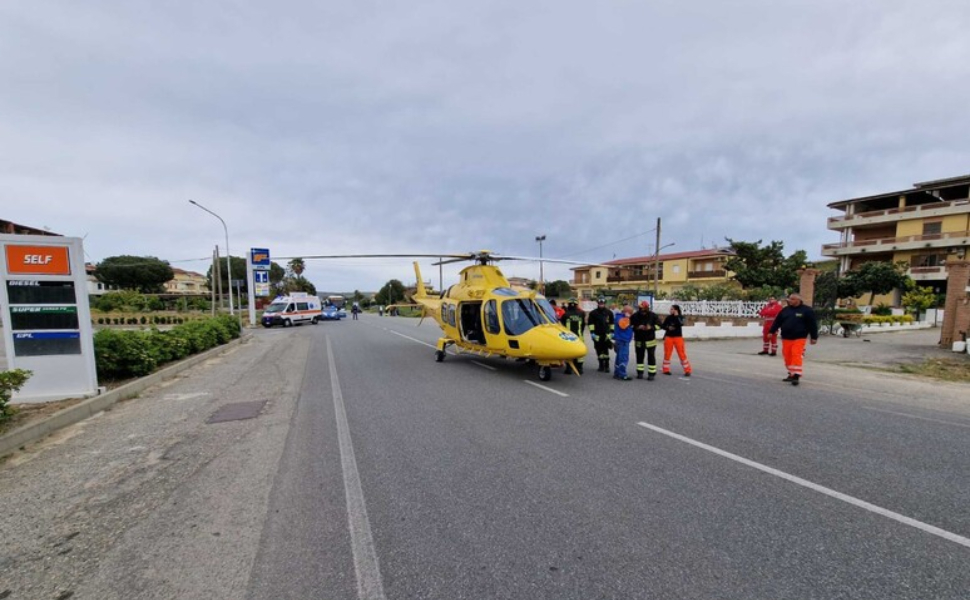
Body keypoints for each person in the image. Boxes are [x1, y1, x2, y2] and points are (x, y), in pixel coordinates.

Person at [769, 293, 818, 386]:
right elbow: (777, 321)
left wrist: (814, 337)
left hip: (800, 337)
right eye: (789, 299)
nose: (789, 300)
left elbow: (812, 325)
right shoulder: (785, 310)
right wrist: (771, 331)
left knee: (796, 354)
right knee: (787, 356)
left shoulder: (807, 310)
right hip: (786, 337)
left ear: (798, 300)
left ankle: (796, 375)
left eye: (792, 299)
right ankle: (791, 373)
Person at [630, 301, 662, 380]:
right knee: (639, 357)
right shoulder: (635, 316)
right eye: (641, 310)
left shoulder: (653, 316)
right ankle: (640, 373)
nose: (642, 312)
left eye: (644, 310)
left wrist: (651, 327)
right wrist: (637, 327)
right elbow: (630, 326)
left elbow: (660, 326)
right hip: (639, 340)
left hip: (650, 340)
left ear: (647, 308)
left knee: (651, 357)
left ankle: (651, 374)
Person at [661, 304, 691, 377]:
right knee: (667, 354)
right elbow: (663, 326)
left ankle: (687, 370)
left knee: (682, 354)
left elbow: (681, 323)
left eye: (672, 309)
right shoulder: (668, 317)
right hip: (669, 337)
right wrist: (668, 328)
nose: (670, 310)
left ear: (676, 310)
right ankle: (665, 370)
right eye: (670, 309)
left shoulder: (681, 317)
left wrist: (677, 316)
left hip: (678, 337)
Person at [587, 297, 615, 373]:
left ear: (604, 303)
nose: (601, 305)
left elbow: (612, 323)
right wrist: (592, 333)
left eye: (602, 303)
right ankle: (601, 365)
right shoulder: (593, 313)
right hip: (597, 335)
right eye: (600, 303)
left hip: (606, 335)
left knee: (606, 351)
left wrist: (612, 332)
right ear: (598, 303)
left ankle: (607, 366)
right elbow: (591, 323)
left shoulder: (609, 312)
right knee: (599, 350)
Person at [560, 298, 587, 374]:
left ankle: (569, 369)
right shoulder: (581, 314)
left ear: (568, 305)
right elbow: (583, 325)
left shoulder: (565, 315)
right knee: (579, 353)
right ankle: (579, 369)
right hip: (579, 336)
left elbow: (562, 326)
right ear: (576, 305)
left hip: (568, 337)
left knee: (569, 352)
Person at [613, 304, 634, 381]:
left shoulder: (620, 317)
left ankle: (617, 373)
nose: (631, 314)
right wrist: (627, 317)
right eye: (631, 313)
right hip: (623, 341)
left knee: (619, 358)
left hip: (621, 340)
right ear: (626, 312)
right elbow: (623, 326)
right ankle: (622, 374)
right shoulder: (621, 317)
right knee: (623, 358)